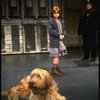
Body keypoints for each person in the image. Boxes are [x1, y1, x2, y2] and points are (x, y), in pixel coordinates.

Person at [48, 6, 67, 75]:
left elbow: (64, 29)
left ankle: (56, 67)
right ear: (52, 13)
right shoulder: (51, 20)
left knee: (59, 55)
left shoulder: (61, 20)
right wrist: (59, 35)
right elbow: (51, 30)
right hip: (55, 41)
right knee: (56, 55)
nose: (56, 14)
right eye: (55, 13)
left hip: (61, 41)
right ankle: (53, 70)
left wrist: (63, 35)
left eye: (57, 13)